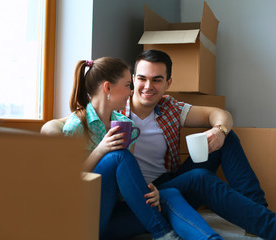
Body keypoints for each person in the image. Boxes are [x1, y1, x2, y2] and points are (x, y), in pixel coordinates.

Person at [41, 51, 276, 240]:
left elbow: (219, 114)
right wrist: (51, 131)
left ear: (167, 83)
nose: (147, 86)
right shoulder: (114, 106)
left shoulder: (170, 107)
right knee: (199, 179)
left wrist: (220, 130)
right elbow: (73, 121)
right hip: (131, 193)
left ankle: (257, 213)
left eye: (157, 80)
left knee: (227, 138)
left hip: (165, 182)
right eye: (141, 79)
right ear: (131, 80)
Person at [62, 57, 223, 240]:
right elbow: (69, 184)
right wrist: (101, 149)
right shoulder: (77, 126)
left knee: (168, 194)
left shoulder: (125, 124)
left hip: (116, 215)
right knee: (118, 156)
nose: (131, 92)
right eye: (127, 85)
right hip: (85, 217)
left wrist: (148, 191)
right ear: (108, 88)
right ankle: (163, 233)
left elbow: (127, 181)